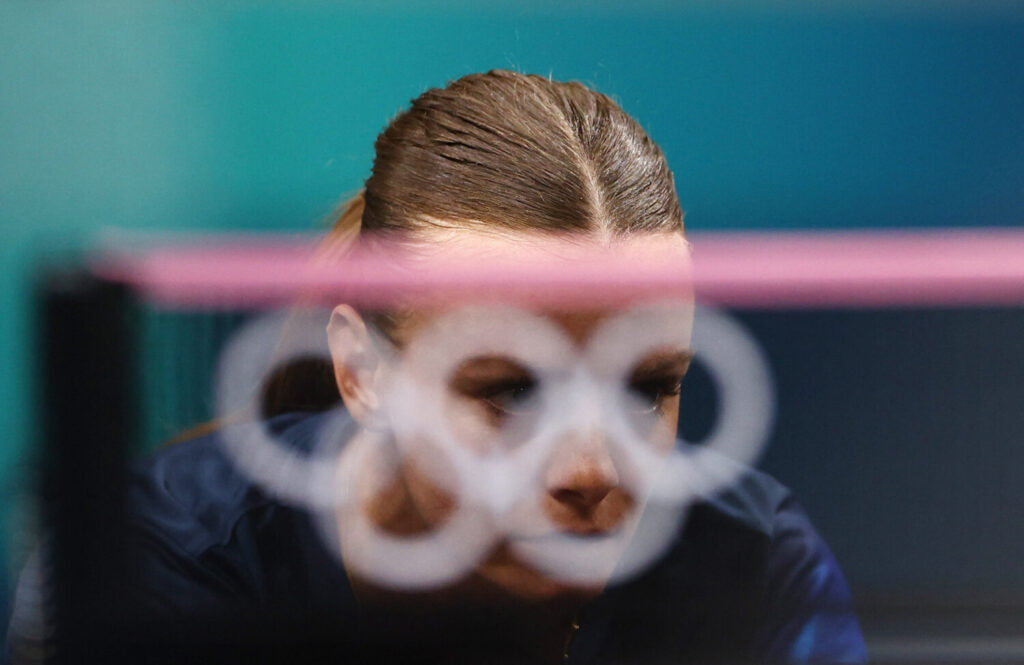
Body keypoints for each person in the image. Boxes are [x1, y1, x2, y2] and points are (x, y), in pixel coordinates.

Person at [8, 70, 867, 665]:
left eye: (646, 387)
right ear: (360, 371)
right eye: (510, 392)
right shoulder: (149, 569)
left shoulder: (754, 567)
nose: (592, 469)